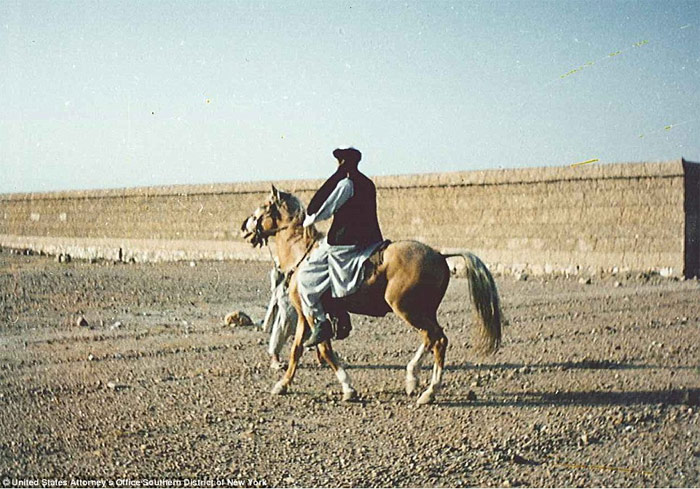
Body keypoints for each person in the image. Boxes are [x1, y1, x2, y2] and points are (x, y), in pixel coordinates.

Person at [298, 147, 384, 347]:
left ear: (343, 163)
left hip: (345, 244)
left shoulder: (347, 184)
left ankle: (321, 322)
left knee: (307, 278)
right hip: (370, 241)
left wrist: (307, 221)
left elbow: (322, 210)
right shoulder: (368, 183)